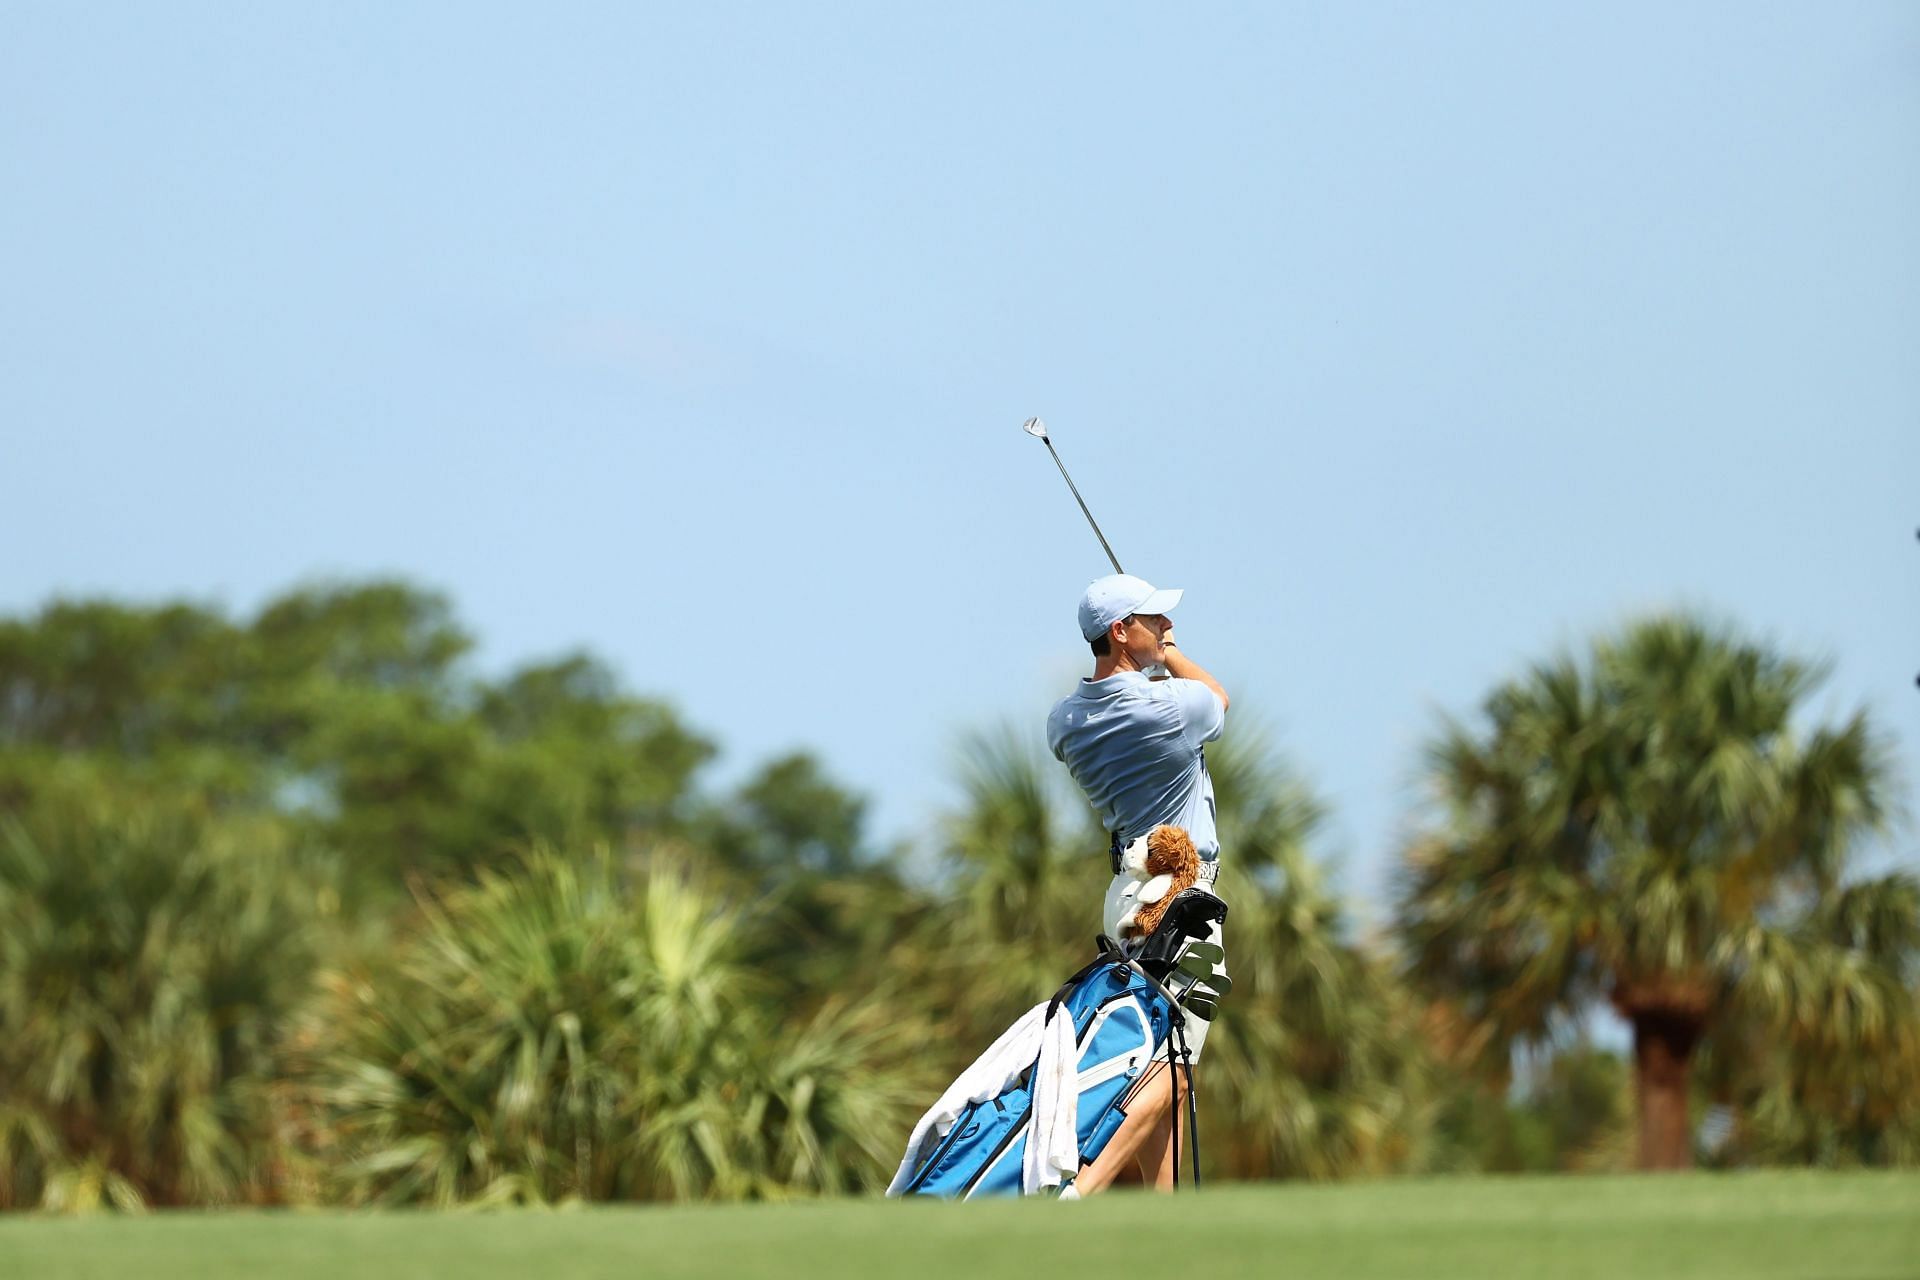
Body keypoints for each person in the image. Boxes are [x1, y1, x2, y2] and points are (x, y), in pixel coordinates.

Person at [1045, 573, 1230, 1192]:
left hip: (1125, 897)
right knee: (1170, 1066)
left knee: (1159, 1055)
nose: (1166, 628)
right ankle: (1082, 1190)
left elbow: (1103, 697)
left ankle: (1165, 1217)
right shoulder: (1170, 708)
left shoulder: (1065, 722)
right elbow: (1218, 698)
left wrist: (1149, 652)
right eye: (1155, 621)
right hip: (1184, 897)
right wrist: (1170, 654)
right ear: (1120, 632)